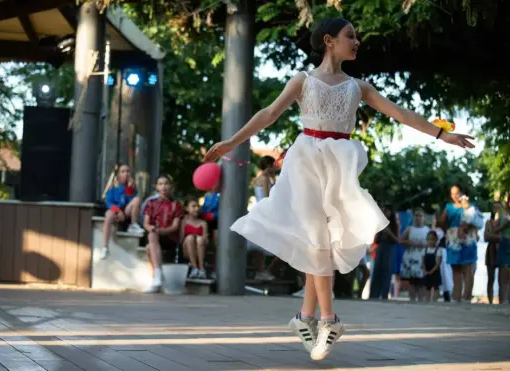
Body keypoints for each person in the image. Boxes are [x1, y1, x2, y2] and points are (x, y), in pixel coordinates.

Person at [203, 17, 474, 361]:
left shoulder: (358, 87)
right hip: (305, 161)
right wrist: (232, 141)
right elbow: (269, 113)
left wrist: (441, 134)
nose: (357, 41)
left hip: (339, 163)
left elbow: (401, 114)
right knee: (316, 237)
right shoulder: (304, 79)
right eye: (351, 36)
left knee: (324, 244)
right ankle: (329, 320)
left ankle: (304, 316)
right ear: (329, 41)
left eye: (357, 36)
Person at [142, 175, 184, 293]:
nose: (163, 186)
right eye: (160, 184)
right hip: (155, 236)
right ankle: (157, 278)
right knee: (149, 245)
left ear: (170, 186)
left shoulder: (176, 205)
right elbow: (146, 224)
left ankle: (157, 277)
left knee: (151, 239)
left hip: (169, 237)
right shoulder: (151, 203)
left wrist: (160, 231)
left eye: (166, 183)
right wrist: (153, 229)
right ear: (156, 187)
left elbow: (175, 226)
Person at [248, 155, 281, 281]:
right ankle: (265, 270)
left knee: (260, 245)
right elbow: (268, 197)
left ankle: (262, 270)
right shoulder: (266, 179)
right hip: (267, 213)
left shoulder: (259, 178)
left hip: (259, 211)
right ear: (269, 166)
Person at [102, 163, 143, 259]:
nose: (126, 174)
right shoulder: (113, 186)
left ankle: (133, 225)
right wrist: (117, 211)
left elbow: (132, 203)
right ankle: (105, 247)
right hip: (115, 212)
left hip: (126, 213)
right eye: (123, 171)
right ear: (118, 174)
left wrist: (129, 189)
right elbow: (108, 202)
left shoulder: (131, 187)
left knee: (137, 199)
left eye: (128, 171)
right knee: (108, 215)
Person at [399, 208, 430, 302]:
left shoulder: (427, 230)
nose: (418, 218)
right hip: (411, 257)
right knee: (412, 281)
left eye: (420, 216)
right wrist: (409, 242)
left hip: (423, 257)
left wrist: (424, 244)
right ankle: (412, 299)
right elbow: (401, 241)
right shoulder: (409, 229)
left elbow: (433, 243)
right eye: (416, 215)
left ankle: (421, 300)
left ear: (424, 218)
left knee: (422, 281)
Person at [369, 205, 399, 300]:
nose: (385, 213)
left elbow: (397, 239)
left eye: (386, 211)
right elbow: (376, 239)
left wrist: (388, 231)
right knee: (377, 270)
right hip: (380, 247)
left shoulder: (394, 224)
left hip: (390, 247)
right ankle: (374, 294)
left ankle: (384, 294)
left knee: (387, 270)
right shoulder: (380, 223)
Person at [180, 196, 209, 279]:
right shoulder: (184, 221)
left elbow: (205, 241)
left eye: (197, 206)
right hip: (187, 249)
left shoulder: (203, 223)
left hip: (199, 249)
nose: (196, 208)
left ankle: (201, 269)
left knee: (199, 239)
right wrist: (192, 238)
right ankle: (194, 268)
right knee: (190, 238)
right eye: (193, 206)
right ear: (187, 208)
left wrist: (200, 239)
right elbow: (181, 239)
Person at [483, 202, 503, 304]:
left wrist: (493, 236)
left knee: (502, 279)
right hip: (491, 251)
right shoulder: (489, 222)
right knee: (491, 277)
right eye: (495, 208)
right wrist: (498, 238)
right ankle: (490, 301)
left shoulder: (504, 222)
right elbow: (486, 237)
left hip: (502, 250)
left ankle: (502, 301)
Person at [422, 230, 443, 302]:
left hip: (435, 271)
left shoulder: (438, 250)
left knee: (435, 286)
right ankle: (427, 299)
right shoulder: (424, 250)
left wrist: (431, 271)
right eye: (429, 239)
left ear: (436, 240)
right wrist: (424, 270)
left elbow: (438, 263)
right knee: (427, 287)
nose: (431, 241)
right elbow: (423, 261)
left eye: (433, 239)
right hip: (426, 271)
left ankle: (435, 300)